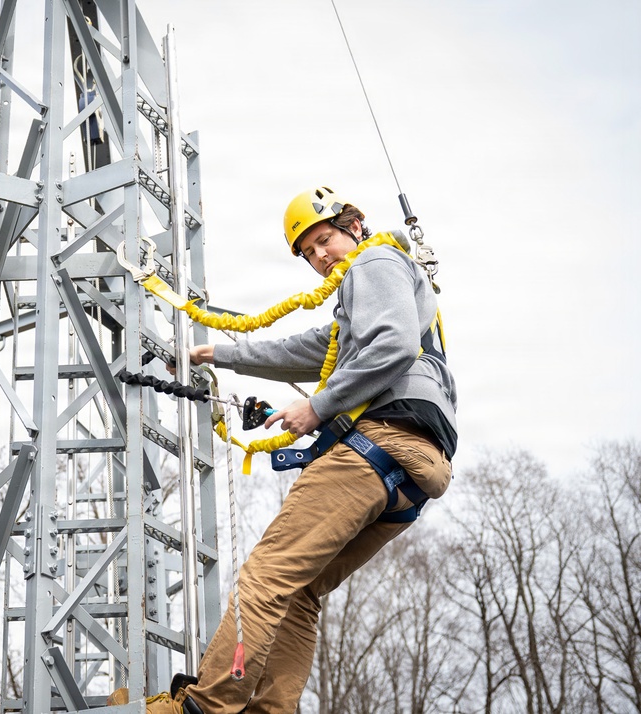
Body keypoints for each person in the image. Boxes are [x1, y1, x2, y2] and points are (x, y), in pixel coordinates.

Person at [130, 186, 458, 713]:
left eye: (324, 240)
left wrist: (319, 407)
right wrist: (220, 353)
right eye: (308, 253)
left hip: (380, 444)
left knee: (268, 573)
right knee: (301, 593)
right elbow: (303, 349)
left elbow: (393, 345)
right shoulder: (376, 292)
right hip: (415, 472)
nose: (319, 257)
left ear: (353, 225)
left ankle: (206, 706)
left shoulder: (373, 262)